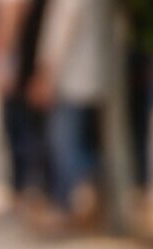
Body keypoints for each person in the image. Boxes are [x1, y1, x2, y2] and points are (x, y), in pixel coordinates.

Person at [30, 0, 107, 227]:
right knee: (76, 143)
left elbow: (60, 32)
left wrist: (47, 75)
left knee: (63, 144)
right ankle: (80, 200)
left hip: (70, 78)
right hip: (88, 77)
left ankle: (66, 204)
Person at [0, 0, 52, 210]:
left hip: (25, 70)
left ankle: (26, 190)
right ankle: (24, 190)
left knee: (22, 132)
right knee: (20, 131)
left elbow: (8, 31)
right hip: (24, 68)